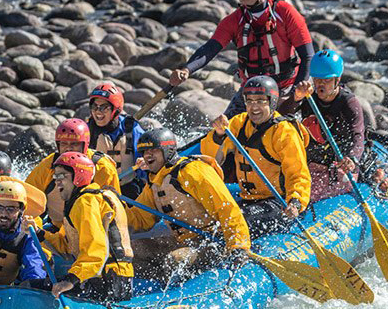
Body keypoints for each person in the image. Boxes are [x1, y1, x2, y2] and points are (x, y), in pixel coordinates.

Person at [168, 0, 314, 117]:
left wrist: (296, 92)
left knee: (281, 130)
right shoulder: (233, 21)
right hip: (252, 90)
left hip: (286, 87)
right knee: (223, 132)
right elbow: (210, 48)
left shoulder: (285, 13)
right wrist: (186, 69)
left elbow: (308, 56)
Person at [126, 127, 251, 276]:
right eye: (145, 152)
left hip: (212, 241)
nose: (147, 155)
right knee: (131, 250)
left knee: (175, 260)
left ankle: (178, 286)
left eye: (153, 150)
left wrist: (238, 246)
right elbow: (140, 218)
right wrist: (111, 209)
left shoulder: (193, 171)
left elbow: (227, 209)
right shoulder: (155, 181)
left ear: (168, 150)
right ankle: (161, 283)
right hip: (181, 241)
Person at [201, 76, 311, 238]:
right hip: (248, 198)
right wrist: (218, 135)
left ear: (272, 102)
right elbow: (212, 159)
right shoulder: (239, 123)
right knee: (210, 221)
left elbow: (298, 174)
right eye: (250, 101)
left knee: (235, 221)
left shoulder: (284, 132)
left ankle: (236, 254)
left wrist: (295, 202)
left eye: (260, 101)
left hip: (278, 201)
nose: (254, 107)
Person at [43, 151, 133, 303]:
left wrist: (70, 280)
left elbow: (96, 251)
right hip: (101, 276)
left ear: (78, 176)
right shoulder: (80, 201)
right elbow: (68, 247)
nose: (56, 181)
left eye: (61, 176)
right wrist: (40, 234)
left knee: (36, 288)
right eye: (55, 176)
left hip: (109, 280)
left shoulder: (86, 202)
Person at [292, 49, 369, 203]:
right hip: (315, 163)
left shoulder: (348, 103)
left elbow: (358, 135)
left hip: (342, 163)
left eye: (326, 80)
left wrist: (352, 158)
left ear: (337, 80)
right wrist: (296, 98)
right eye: (317, 79)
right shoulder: (307, 96)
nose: (320, 84)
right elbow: (282, 116)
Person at [25, 118, 121, 225]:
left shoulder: (103, 167)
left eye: (74, 144)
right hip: (56, 232)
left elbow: (115, 208)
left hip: (94, 227)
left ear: (85, 145)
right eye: (64, 144)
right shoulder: (48, 166)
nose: (68, 149)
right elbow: (27, 198)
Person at [86, 81, 147, 198]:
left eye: (104, 107)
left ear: (116, 110)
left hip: (128, 188)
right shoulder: (86, 131)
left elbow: (146, 157)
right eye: (94, 106)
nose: (98, 111)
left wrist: (146, 164)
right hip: (97, 190)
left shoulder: (131, 129)